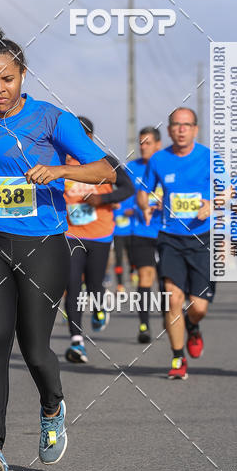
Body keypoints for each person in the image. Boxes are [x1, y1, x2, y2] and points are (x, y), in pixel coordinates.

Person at [0, 27, 118, 471]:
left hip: (42, 242)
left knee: (35, 347)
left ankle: (52, 408)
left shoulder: (52, 120)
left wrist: (60, 168)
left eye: (7, 78)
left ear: (23, 75)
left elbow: (104, 170)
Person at [137, 107, 214, 380]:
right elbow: (144, 190)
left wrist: (213, 204)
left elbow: (229, 189)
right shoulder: (158, 160)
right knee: (172, 299)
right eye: (176, 125)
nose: (181, 129)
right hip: (169, 238)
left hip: (202, 238)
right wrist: (145, 204)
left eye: (187, 124)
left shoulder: (210, 158)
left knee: (199, 307)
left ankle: (193, 326)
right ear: (169, 130)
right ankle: (178, 357)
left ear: (195, 129)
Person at [63, 116, 134, 364]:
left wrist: (101, 199)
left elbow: (128, 189)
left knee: (94, 286)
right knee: (72, 285)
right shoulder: (61, 163)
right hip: (71, 234)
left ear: (91, 138)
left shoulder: (106, 163)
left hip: (100, 234)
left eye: (82, 135)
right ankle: (77, 342)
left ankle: (99, 308)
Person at [126, 126, 163, 343]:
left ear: (158, 144)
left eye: (148, 143)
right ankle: (144, 324)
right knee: (145, 276)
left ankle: (172, 317)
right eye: (141, 143)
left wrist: (165, 204)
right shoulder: (132, 168)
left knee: (167, 281)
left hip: (166, 231)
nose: (143, 147)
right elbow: (125, 197)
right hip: (140, 231)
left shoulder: (168, 164)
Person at [111, 197, 135, 293]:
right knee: (118, 259)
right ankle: (120, 284)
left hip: (130, 233)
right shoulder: (112, 199)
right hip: (117, 234)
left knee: (132, 258)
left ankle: (132, 272)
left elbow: (137, 209)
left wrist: (131, 211)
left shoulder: (131, 198)